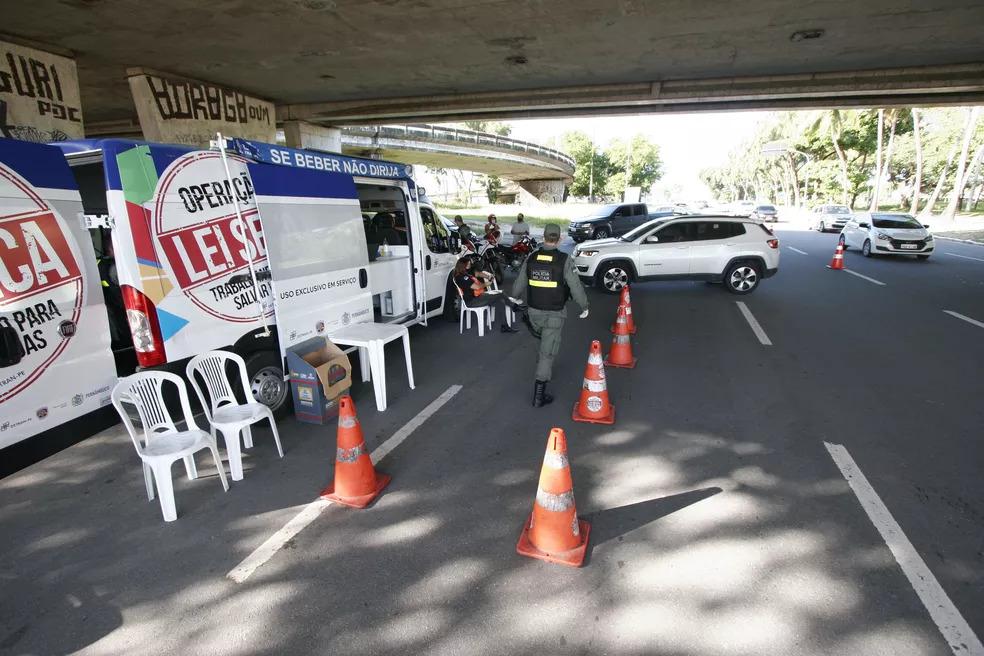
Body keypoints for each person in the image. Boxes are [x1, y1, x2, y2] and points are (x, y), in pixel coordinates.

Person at [510, 223, 589, 407]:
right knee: (547, 353)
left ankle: (542, 364)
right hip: (554, 314)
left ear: (543, 237)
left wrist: (515, 297)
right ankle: (539, 395)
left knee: (544, 344)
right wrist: (584, 305)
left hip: (533, 313)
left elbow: (520, 282)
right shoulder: (564, 260)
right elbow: (575, 286)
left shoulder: (532, 257)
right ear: (560, 238)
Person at [453, 257, 518, 333]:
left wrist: (488, 277)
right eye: (468, 264)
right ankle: (513, 306)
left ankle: (504, 326)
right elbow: (476, 287)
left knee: (500, 302)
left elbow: (477, 274)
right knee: (500, 294)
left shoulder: (465, 273)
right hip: (472, 301)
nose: (469, 265)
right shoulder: (461, 277)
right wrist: (486, 284)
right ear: (462, 265)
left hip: (478, 297)